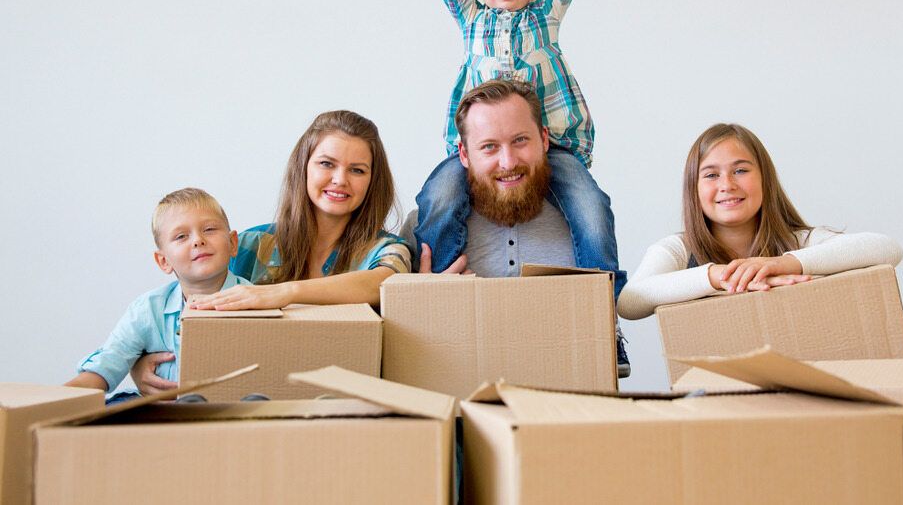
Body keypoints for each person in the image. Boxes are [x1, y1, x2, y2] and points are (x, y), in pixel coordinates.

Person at [395, 0, 627, 299]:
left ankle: (605, 310)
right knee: (437, 199)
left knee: (592, 205)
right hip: (481, 154)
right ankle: (440, 293)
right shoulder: (471, 19)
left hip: (552, 147)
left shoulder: (546, 16)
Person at [132, 110, 411, 394]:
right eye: (327, 164)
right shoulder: (250, 244)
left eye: (357, 170)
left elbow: (384, 283)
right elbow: (177, 307)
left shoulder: (387, 249)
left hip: (344, 403)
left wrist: (282, 293)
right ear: (303, 166)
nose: (340, 179)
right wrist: (142, 364)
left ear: (372, 181)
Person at [405, 79, 631, 377]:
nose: (508, 162)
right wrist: (416, 303)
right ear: (463, 154)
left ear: (545, 140)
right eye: (489, 147)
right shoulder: (424, 229)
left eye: (520, 140)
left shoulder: (584, 226)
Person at [616, 123, 903, 320]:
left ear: (765, 178)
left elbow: (887, 249)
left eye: (740, 170)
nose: (727, 184)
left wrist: (780, 264)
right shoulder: (679, 249)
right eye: (711, 175)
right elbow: (630, 302)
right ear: (694, 189)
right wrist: (719, 276)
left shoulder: (798, 241)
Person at [66, 188, 250, 398]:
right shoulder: (148, 309)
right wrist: (47, 402)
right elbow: (107, 363)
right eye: (181, 236)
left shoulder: (256, 303)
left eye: (209, 229)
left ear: (233, 243)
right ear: (164, 261)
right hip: (164, 416)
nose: (198, 240)